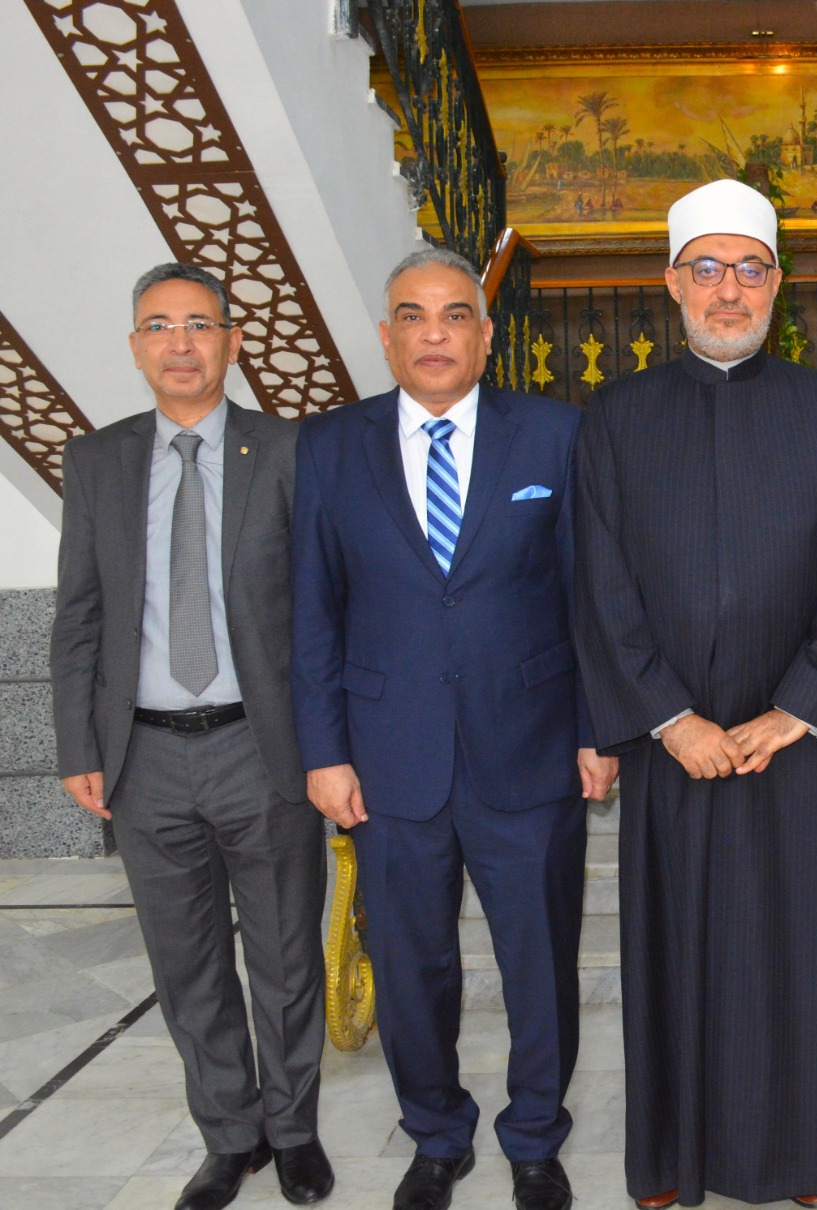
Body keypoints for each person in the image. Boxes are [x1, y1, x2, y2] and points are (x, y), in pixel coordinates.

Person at [571, 177, 817, 1209]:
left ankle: (804, 1159)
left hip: (793, 743)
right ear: (672, 284)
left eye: (749, 268)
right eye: (705, 268)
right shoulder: (615, 417)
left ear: (777, 283)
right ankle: (671, 1159)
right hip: (678, 746)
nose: (728, 289)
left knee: (799, 953)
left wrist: (798, 708)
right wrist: (667, 717)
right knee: (677, 953)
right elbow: (598, 578)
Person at [291, 247, 616, 1210]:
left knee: (538, 965)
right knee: (410, 966)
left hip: (533, 753)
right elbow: (312, 614)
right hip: (388, 762)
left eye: (455, 315)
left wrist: (596, 731)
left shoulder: (555, 435)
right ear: (387, 336)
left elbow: (590, 597)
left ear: (485, 334)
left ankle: (535, 1138)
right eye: (413, 316)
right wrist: (324, 752)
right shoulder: (330, 446)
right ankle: (436, 1135)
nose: (434, 334)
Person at [51, 262, 333, 1210]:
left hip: (264, 747)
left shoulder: (289, 450)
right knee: (186, 962)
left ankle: (293, 1131)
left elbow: (327, 606)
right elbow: (79, 614)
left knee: (286, 956)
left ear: (232, 342)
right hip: (143, 757)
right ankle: (230, 1136)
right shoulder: (96, 461)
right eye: (160, 327)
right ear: (136, 347)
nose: (180, 344)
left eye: (199, 325)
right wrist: (78, 746)